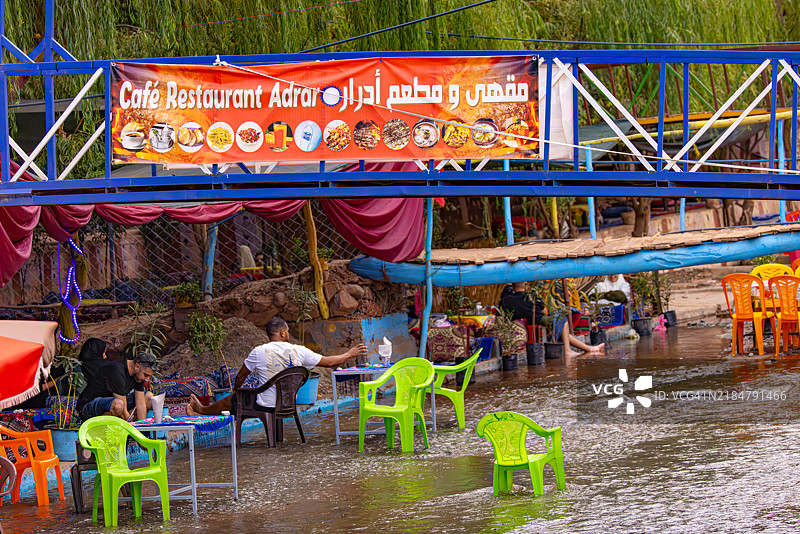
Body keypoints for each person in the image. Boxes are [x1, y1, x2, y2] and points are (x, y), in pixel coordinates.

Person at [186, 317, 368, 416]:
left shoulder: (258, 352)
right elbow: (330, 362)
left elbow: (240, 377)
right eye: (287, 331)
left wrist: (239, 391)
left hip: (264, 405)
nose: (288, 333)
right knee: (239, 396)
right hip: (289, 404)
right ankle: (201, 410)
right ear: (282, 332)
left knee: (234, 398)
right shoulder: (299, 351)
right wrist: (349, 354)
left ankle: (201, 410)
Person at [498, 282, 605, 358]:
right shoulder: (533, 297)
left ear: (512, 287)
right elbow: (545, 312)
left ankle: (589, 349)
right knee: (563, 319)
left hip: (519, 326)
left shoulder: (505, 300)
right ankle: (568, 350)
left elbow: (502, 315)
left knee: (562, 326)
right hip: (541, 322)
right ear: (525, 286)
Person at [77, 352, 157, 421]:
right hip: (88, 407)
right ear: (137, 366)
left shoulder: (138, 375)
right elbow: (123, 410)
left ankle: (127, 426)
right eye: (146, 375)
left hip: (112, 402)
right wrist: (133, 430)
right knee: (119, 405)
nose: (147, 380)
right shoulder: (117, 370)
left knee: (148, 397)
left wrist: (142, 427)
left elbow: (140, 404)